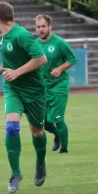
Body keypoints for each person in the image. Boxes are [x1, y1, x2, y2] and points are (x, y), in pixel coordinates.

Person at [0, 2, 48, 194]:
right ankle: (15, 173)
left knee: (37, 131)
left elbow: (41, 59)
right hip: (13, 89)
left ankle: (40, 162)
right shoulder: (5, 36)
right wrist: (1, 70)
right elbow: (13, 64)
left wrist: (17, 72)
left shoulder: (21, 35)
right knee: (12, 126)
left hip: (35, 91)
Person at [34, 14, 78, 153]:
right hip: (42, 87)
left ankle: (64, 149)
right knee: (43, 121)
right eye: (38, 27)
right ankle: (57, 135)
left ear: (50, 27)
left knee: (58, 119)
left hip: (59, 86)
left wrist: (59, 69)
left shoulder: (59, 43)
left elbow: (72, 59)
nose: (41, 29)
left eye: (43, 26)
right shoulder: (34, 44)